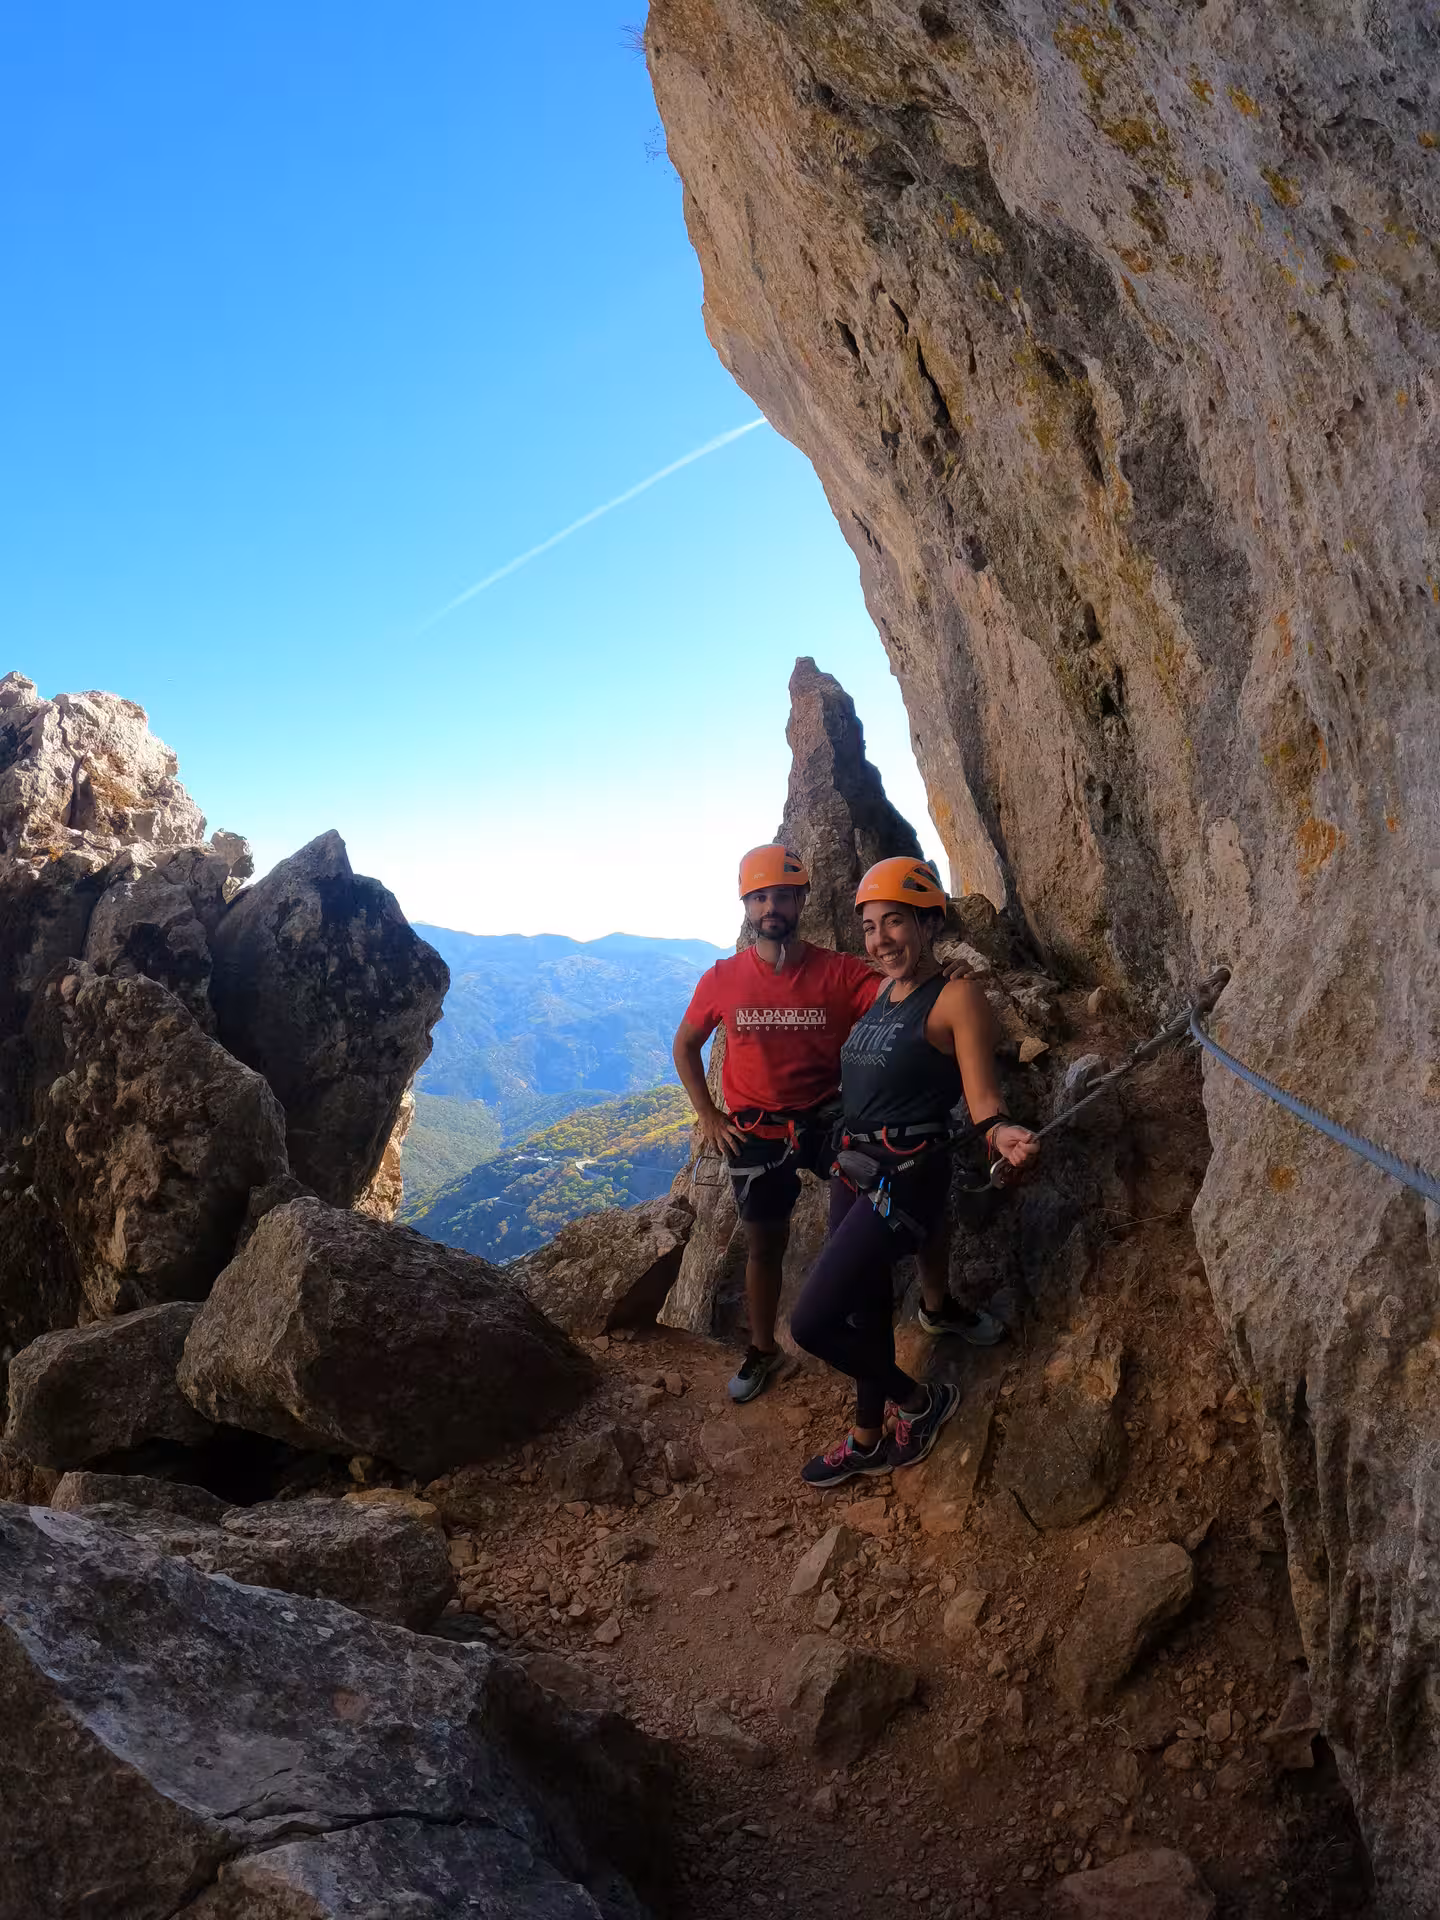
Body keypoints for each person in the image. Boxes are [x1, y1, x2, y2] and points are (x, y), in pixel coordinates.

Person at [789, 857, 1040, 1486]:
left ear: (928, 923)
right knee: (865, 1311)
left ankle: (919, 1403)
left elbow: (982, 1100)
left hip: (904, 1177)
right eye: (871, 928)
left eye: (895, 922)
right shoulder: (879, 993)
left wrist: (1001, 1132)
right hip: (855, 1171)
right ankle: (867, 1438)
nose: (880, 940)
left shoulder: (956, 995)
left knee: (810, 1322)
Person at [673, 845, 882, 1403]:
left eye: (782, 896)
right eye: (761, 896)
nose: (772, 906)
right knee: (765, 1243)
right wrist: (708, 1115)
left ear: (800, 901)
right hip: (755, 1130)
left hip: (824, 1121)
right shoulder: (722, 978)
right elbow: (686, 1045)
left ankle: (878, 1321)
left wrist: (941, 976)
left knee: (866, 1220)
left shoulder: (838, 971)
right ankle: (764, 1348)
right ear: (746, 904)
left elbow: (897, 995)